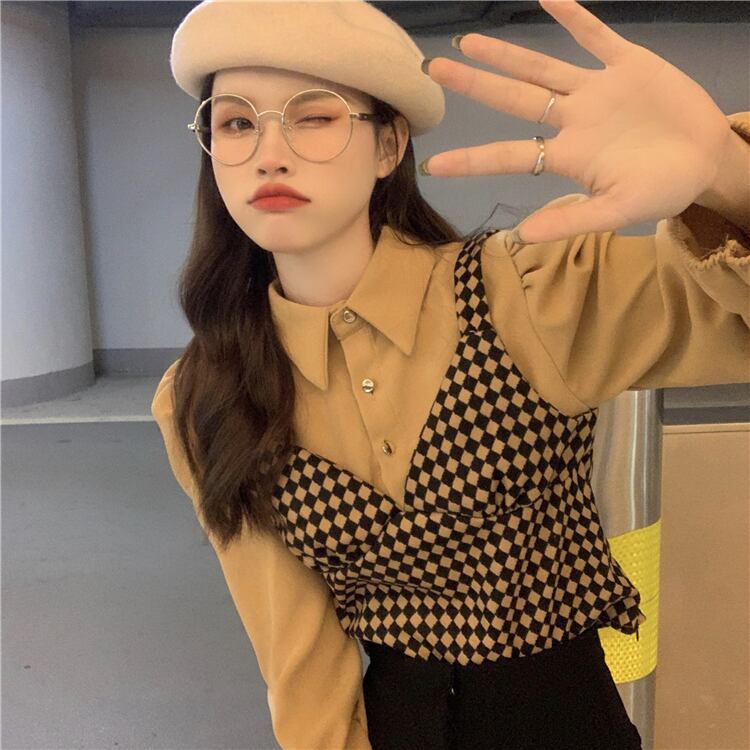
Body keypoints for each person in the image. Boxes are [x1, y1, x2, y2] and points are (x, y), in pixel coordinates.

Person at [151, 1, 750, 748]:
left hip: (564, 723)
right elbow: (299, 661)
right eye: (237, 123)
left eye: (315, 116)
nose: (270, 154)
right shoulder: (208, 392)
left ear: (388, 145)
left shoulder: (522, 295)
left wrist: (728, 173)